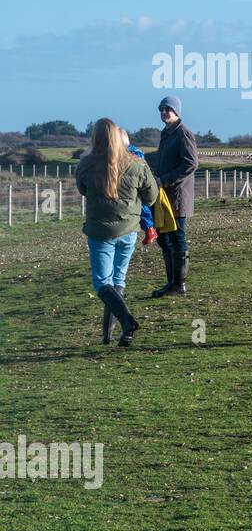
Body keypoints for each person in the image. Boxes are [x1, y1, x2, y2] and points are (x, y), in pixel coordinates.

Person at [76, 118, 159, 346]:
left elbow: (82, 189)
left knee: (103, 283)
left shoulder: (86, 163)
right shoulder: (137, 163)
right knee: (118, 280)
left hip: (100, 231)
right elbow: (152, 197)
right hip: (128, 230)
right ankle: (111, 335)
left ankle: (127, 322)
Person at [150, 95, 199, 297]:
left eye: (167, 109)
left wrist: (166, 179)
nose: (163, 112)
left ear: (177, 111)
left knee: (177, 237)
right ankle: (171, 283)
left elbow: (191, 163)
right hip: (163, 197)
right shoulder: (166, 133)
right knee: (164, 238)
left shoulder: (183, 133)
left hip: (177, 196)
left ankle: (179, 285)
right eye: (161, 109)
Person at [121, 128, 159, 245]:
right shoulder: (134, 151)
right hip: (135, 184)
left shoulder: (132, 153)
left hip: (136, 186)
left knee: (142, 206)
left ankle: (150, 229)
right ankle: (149, 229)